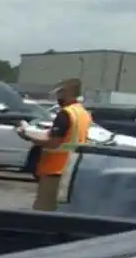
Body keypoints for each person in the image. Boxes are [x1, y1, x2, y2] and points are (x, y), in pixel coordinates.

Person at [16, 78, 92, 210]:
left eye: (59, 93)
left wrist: (27, 136)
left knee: (43, 209)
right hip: (72, 168)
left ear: (66, 92)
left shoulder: (65, 114)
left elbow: (54, 143)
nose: (57, 97)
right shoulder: (82, 113)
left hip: (55, 169)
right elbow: (68, 137)